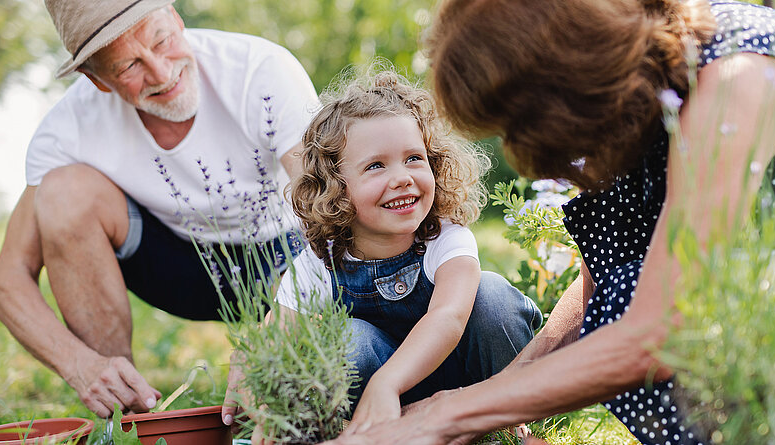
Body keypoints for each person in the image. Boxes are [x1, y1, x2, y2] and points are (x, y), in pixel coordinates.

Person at [325, 0, 775, 444]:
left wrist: (447, 416)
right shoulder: (652, 91)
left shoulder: (733, 84)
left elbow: (658, 331)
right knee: (623, 293)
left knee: (668, 328)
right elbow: (600, 289)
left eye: (514, 121)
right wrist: (485, 405)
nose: (516, 144)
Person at [0, 0, 318, 418]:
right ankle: (124, 415)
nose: (162, 74)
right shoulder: (66, 130)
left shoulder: (262, 70)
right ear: (96, 79)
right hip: (176, 266)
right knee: (62, 193)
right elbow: (8, 280)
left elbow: (332, 218)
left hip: (285, 256)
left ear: (176, 19)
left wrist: (282, 324)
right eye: (129, 66)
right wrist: (80, 365)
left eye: (162, 41)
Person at [221, 70, 543, 434]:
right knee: (346, 338)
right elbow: (277, 334)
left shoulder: (446, 238)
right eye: (376, 165)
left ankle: (515, 420)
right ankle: (384, 432)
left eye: (414, 158)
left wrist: (387, 382)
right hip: (385, 408)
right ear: (336, 187)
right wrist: (256, 376)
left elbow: (448, 317)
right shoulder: (322, 261)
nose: (402, 177)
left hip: (471, 387)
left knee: (493, 296)